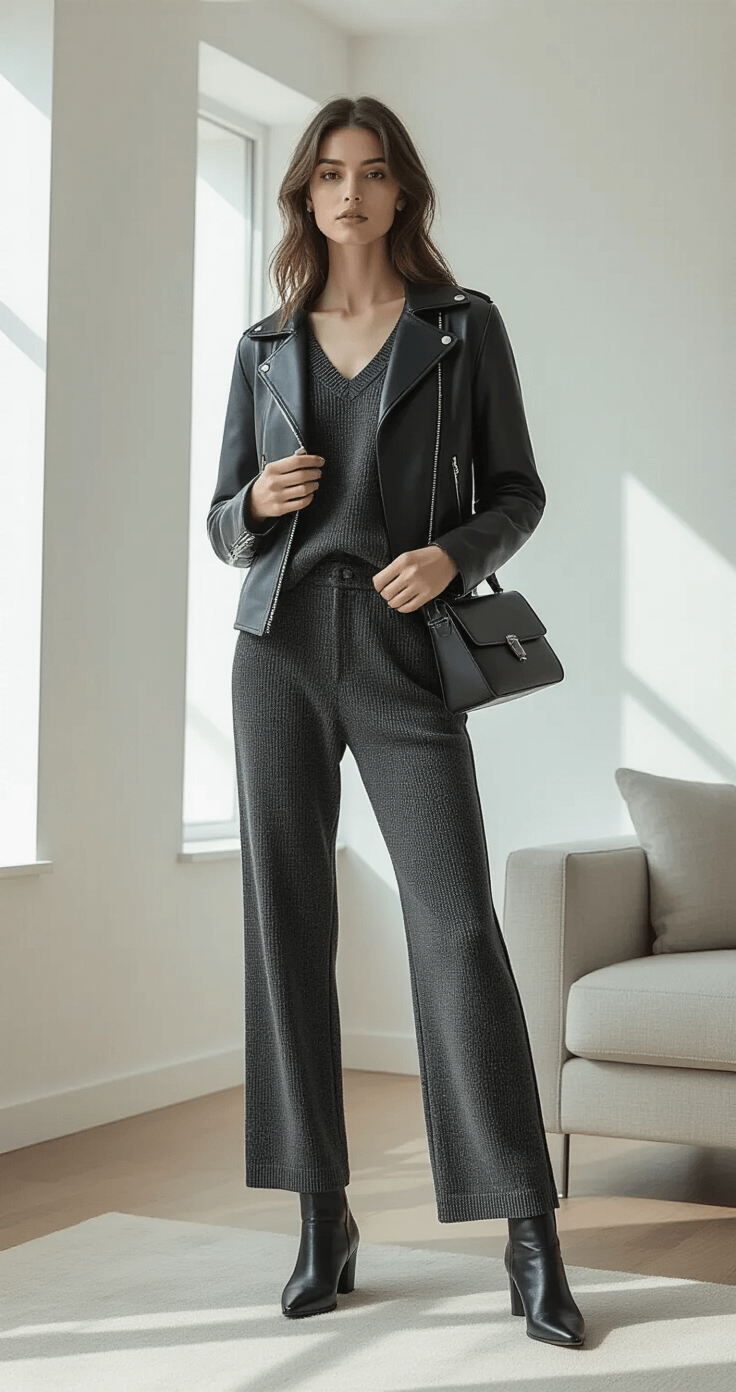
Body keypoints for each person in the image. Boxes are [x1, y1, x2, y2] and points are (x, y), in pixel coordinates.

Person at [207, 95, 585, 1348]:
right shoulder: (265, 343)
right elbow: (219, 524)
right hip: (276, 652)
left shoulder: (462, 331)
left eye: (372, 174)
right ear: (304, 195)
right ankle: (323, 1216)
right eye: (328, 174)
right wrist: (256, 498)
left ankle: (529, 1233)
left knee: (457, 927)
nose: (350, 194)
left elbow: (519, 489)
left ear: (402, 191)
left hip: (400, 649)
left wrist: (449, 555)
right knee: (287, 924)